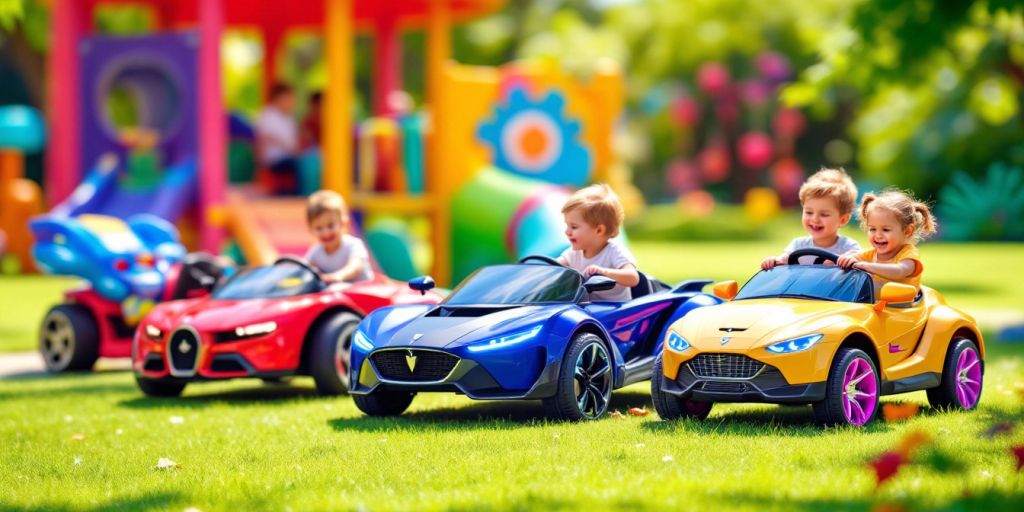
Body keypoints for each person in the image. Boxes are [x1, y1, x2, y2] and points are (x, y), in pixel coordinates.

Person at [837, 189, 937, 293]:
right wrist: (847, 258)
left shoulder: (908, 254)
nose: (878, 235)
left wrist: (867, 266)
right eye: (872, 229)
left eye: (886, 230)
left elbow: (900, 271)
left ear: (907, 231)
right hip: (873, 307)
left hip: (900, 307)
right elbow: (854, 256)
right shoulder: (870, 255)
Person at [762, 168, 861, 269]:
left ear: (843, 219)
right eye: (809, 212)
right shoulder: (798, 245)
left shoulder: (848, 247)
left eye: (824, 214)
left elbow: (856, 258)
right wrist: (774, 261)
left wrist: (848, 260)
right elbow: (783, 260)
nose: (815, 219)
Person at [556, 184, 640, 301]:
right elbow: (554, 266)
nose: (567, 232)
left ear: (599, 230)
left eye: (574, 227)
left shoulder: (615, 252)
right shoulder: (573, 253)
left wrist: (604, 272)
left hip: (614, 312)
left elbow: (633, 278)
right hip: (586, 311)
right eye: (567, 225)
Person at [304, 190, 373, 283]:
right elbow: (304, 268)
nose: (326, 232)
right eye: (319, 228)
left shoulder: (353, 245)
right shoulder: (315, 253)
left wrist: (338, 276)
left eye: (330, 226)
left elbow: (355, 267)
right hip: (336, 294)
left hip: (362, 291)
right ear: (311, 230)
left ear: (344, 224)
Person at [256, 83, 300, 194]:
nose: (292, 102)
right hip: (274, 159)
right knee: (299, 164)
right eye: (288, 98)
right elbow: (264, 138)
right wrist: (261, 163)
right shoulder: (268, 115)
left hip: (289, 158)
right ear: (278, 98)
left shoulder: (289, 118)